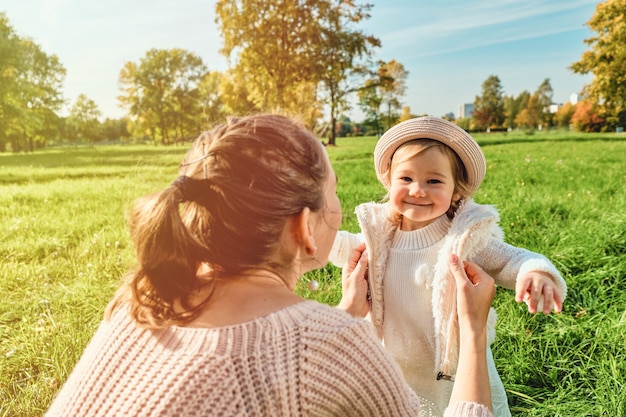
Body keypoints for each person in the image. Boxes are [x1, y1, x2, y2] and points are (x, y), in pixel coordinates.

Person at [46, 114, 496, 417]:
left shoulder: (140, 299)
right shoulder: (334, 343)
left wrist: (344, 316)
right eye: (334, 193)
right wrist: (471, 332)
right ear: (304, 227)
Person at [329, 116, 568, 417]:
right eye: (406, 179)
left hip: (453, 370)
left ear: (457, 191)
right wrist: (308, 236)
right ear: (389, 181)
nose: (418, 190)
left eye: (434, 181)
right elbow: (340, 245)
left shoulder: (463, 239)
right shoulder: (378, 236)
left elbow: (512, 258)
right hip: (394, 361)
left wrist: (535, 272)